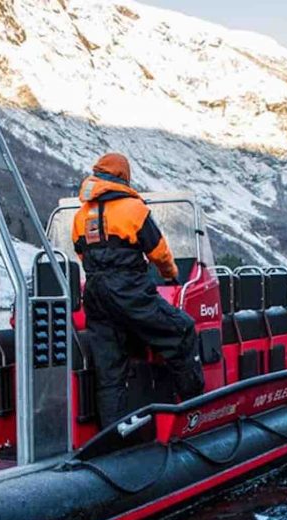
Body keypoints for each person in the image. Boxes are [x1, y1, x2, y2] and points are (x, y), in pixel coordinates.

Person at [71, 152, 205, 427]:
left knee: (110, 372)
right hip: (129, 291)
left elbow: (81, 255)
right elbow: (159, 252)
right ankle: (194, 411)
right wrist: (171, 276)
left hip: (95, 295)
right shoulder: (134, 209)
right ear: (123, 176)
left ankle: (112, 434)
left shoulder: (81, 216)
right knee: (182, 329)